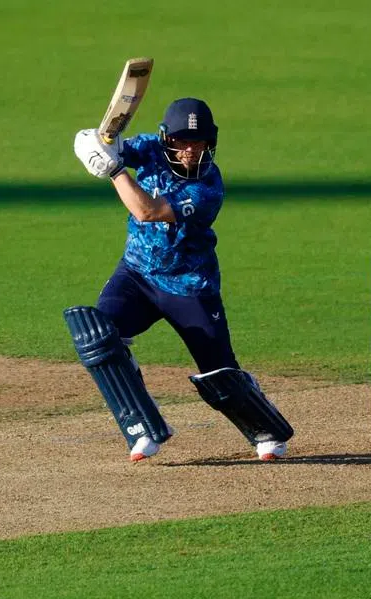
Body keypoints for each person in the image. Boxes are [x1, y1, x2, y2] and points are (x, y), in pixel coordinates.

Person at [67, 97, 293, 462]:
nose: (189, 151)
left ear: (210, 142)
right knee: (100, 336)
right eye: (181, 142)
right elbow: (117, 146)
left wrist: (114, 172)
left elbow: (147, 211)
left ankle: (266, 430)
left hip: (190, 286)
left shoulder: (207, 189)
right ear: (166, 140)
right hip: (137, 274)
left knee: (219, 375)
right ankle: (143, 424)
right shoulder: (152, 149)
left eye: (198, 142)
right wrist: (93, 141)